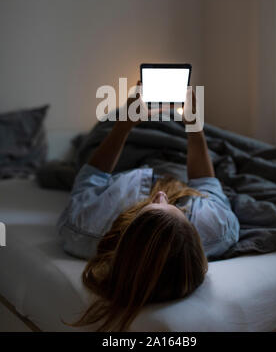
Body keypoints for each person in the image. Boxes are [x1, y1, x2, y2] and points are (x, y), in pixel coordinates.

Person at [57, 84, 240, 332]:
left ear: (128, 232)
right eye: (178, 209)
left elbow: (93, 175)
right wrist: (195, 127)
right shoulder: (215, 229)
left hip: (122, 160)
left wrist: (123, 125)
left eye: (153, 206)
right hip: (177, 160)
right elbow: (205, 182)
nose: (162, 195)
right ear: (193, 232)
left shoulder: (82, 228)